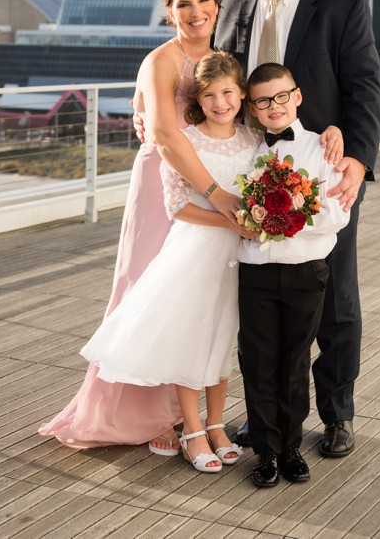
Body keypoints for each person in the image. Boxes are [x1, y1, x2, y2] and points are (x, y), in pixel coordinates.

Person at [39, 0, 250, 453]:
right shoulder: (162, 60)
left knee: (195, 297)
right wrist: (217, 193)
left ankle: (183, 414)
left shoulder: (224, 60)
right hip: (165, 183)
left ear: (217, 4)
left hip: (214, 174)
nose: (195, 13)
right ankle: (144, 412)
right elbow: (162, 131)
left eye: (203, 1)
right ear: (169, 12)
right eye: (183, 5)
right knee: (146, 290)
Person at [214, 0, 380, 457]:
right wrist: (151, 110)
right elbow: (212, 81)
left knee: (335, 298)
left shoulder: (341, 7)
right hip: (246, 168)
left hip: (323, 168)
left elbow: (365, 86)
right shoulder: (234, 8)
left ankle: (337, 415)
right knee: (258, 306)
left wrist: (356, 158)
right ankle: (264, 417)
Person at [81, 52, 260, 472]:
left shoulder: (254, 141)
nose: (220, 103)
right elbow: (177, 206)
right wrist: (230, 221)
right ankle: (192, 430)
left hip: (237, 254)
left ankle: (217, 426)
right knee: (192, 337)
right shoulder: (187, 140)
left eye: (228, 93)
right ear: (199, 98)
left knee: (221, 339)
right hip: (195, 249)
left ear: (241, 94)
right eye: (211, 95)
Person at [238, 63, 350, 487]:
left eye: (281, 96)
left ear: (297, 97)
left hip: (307, 269)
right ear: (252, 106)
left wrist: (292, 216)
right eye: (264, 101)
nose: (274, 107)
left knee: (295, 361)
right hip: (256, 270)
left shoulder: (324, 149)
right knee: (259, 361)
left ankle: (290, 446)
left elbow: (338, 213)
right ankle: (265, 451)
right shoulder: (246, 151)